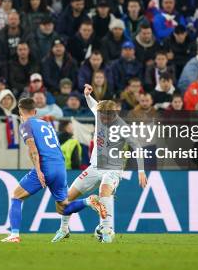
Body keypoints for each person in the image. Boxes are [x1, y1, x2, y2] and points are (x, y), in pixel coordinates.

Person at [0, 97, 106, 243]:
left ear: (20, 111)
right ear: (35, 111)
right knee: (62, 207)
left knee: (16, 196)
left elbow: (33, 150)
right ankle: (89, 201)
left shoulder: (25, 125)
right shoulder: (46, 123)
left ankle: (14, 235)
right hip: (60, 167)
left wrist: (38, 171)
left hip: (45, 166)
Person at [51, 84, 147, 244]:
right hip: (94, 167)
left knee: (104, 192)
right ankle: (64, 229)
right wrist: (87, 95)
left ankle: (107, 230)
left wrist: (141, 171)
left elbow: (137, 147)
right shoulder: (100, 113)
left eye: (104, 117)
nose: (101, 119)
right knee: (64, 200)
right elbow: (93, 105)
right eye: (100, 115)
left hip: (113, 169)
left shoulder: (123, 127)